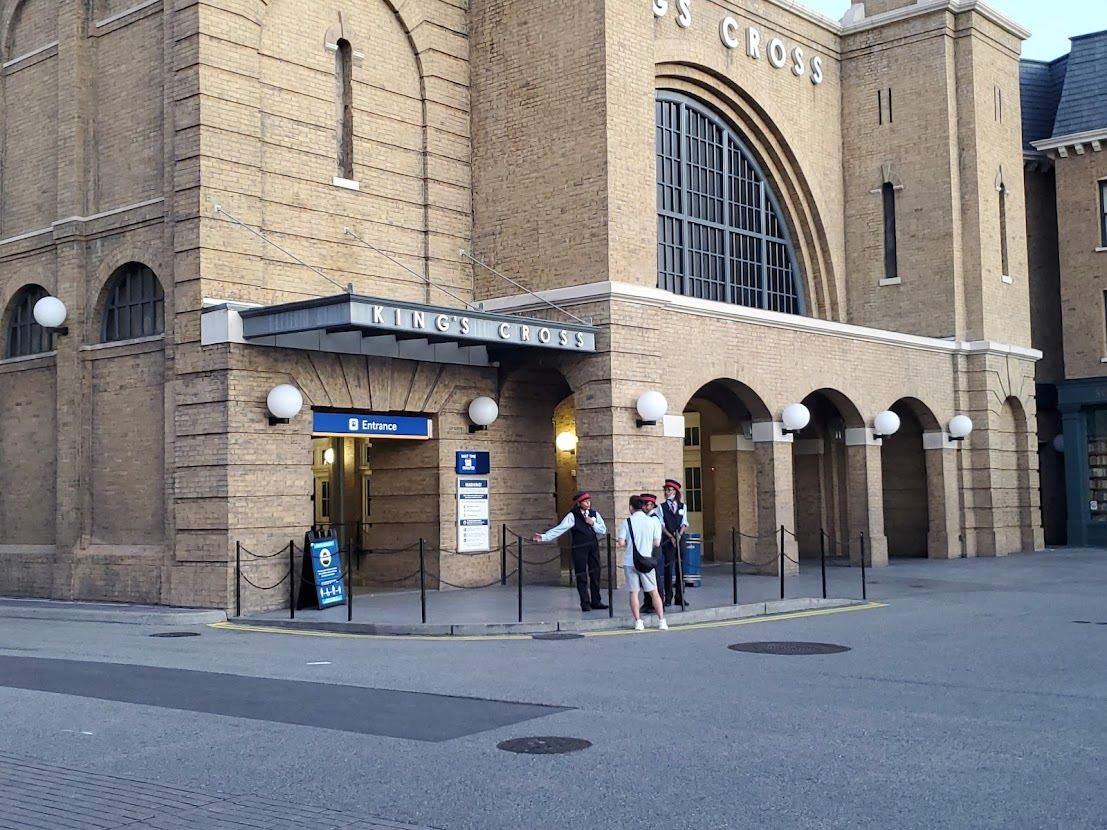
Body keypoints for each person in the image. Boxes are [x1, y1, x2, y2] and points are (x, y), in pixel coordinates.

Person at [533, 491, 609, 612]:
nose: (588, 503)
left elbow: (603, 530)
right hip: (579, 548)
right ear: (579, 503)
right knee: (581, 575)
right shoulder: (572, 515)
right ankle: (585, 602)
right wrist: (544, 537)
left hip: (593, 547)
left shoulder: (594, 514)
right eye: (585, 501)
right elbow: (560, 529)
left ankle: (596, 600)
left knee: (595, 573)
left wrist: (592, 523)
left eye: (589, 501)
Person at [617, 495, 667, 631]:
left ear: (631, 507)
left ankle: (638, 621)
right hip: (646, 561)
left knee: (634, 592)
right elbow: (657, 542)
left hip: (630, 561)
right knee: (654, 592)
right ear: (643, 507)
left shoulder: (626, 522)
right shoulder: (651, 521)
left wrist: (630, 543)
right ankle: (662, 621)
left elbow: (621, 542)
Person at [660, 479, 690, 607]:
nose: (667, 492)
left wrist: (680, 534)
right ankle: (668, 597)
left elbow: (684, 522)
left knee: (680, 568)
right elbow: (661, 524)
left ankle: (680, 596)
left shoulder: (682, 506)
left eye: (669, 490)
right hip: (668, 539)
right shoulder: (661, 507)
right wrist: (670, 536)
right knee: (668, 568)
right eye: (666, 490)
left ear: (675, 492)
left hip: (680, 538)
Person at [639, 493, 664, 614]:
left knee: (655, 577)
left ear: (652, 505)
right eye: (644, 504)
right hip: (645, 549)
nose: (645, 507)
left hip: (653, 550)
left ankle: (659, 602)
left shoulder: (654, 519)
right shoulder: (642, 518)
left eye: (647, 504)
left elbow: (656, 539)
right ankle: (648, 603)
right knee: (645, 577)